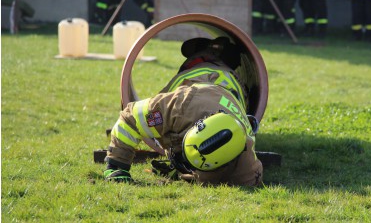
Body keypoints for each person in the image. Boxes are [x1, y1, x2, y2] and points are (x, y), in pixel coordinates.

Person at [103, 37, 263, 187]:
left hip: (229, 79)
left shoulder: (245, 148)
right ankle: (208, 52)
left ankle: (213, 52)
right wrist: (117, 166)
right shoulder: (178, 106)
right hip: (197, 75)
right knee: (202, 61)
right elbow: (130, 118)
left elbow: (251, 178)